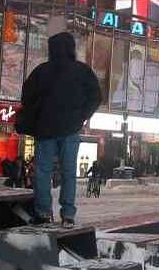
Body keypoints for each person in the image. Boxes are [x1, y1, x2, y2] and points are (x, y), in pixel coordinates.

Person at [16, 32, 102, 225]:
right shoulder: (82, 70)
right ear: (71, 48)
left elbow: (26, 97)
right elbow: (96, 96)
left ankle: (43, 212)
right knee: (69, 172)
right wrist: (81, 116)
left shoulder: (41, 71)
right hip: (70, 129)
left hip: (45, 129)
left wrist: (39, 113)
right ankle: (68, 214)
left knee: (42, 172)